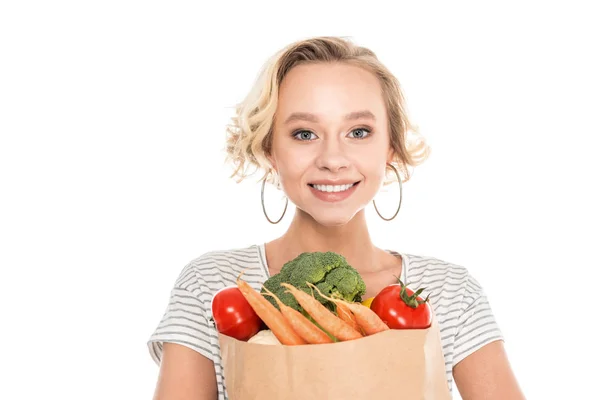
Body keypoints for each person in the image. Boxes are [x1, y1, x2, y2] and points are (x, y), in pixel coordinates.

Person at [148, 36, 525, 399]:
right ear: (270, 149)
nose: (332, 159)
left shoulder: (447, 292)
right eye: (304, 133)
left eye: (359, 132)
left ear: (391, 146)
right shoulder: (211, 285)